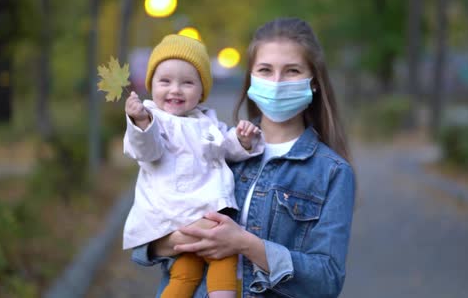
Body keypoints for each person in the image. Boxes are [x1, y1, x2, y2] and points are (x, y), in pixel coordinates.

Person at [132, 17, 357, 297]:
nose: (276, 82)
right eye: (265, 70)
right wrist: (180, 239)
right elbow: (144, 243)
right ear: (250, 78)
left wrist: (244, 243)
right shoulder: (216, 147)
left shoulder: (332, 172)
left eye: (292, 71)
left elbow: (327, 280)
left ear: (313, 82)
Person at [123, 34, 264, 298]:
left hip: (203, 213)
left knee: (186, 271)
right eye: (165, 81)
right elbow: (146, 149)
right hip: (175, 214)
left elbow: (226, 149)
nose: (175, 89)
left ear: (201, 92)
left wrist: (243, 140)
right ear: (151, 85)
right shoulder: (155, 120)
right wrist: (141, 123)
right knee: (224, 253)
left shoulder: (207, 122)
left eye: (187, 83)